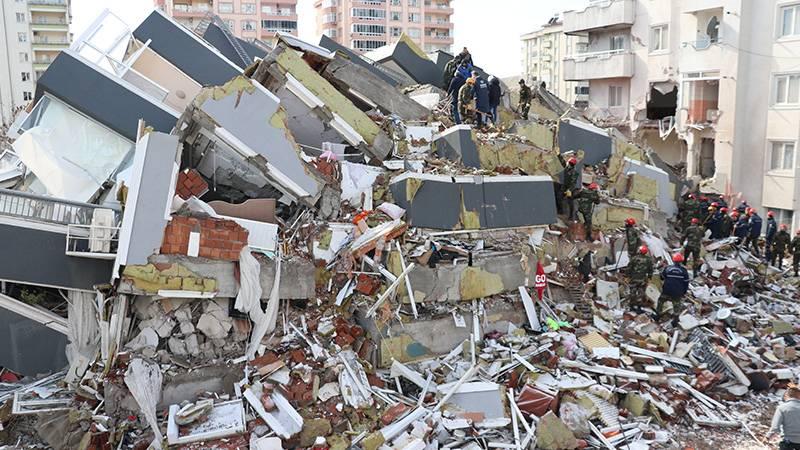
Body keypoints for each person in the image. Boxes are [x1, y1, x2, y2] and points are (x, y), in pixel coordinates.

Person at [766, 383, 800, 449]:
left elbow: (775, 427)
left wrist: (768, 437)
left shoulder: (782, 408)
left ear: (786, 396)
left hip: (789, 443)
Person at [658, 253, 691, 322]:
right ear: (681, 261)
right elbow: (686, 282)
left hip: (667, 290)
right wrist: (684, 292)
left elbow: (662, 277)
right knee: (676, 304)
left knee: (661, 300)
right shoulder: (684, 271)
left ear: (673, 260)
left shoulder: (668, 268)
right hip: (678, 292)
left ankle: (658, 314)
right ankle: (675, 318)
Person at [627, 245, 654, 313]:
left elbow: (629, 268)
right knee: (641, 293)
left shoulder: (634, 258)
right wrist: (649, 277)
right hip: (642, 279)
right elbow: (650, 270)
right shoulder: (648, 260)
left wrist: (628, 276)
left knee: (632, 292)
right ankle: (639, 307)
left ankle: (632, 306)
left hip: (634, 278)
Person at [557, 154, 580, 219]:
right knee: (559, 196)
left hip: (571, 188)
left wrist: (569, 190)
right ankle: (560, 211)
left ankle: (571, 216)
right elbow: (562, 162)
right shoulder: (567, 168)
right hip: (565, 186)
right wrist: (558, 155)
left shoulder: (574, 173)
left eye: (569, 163)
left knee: (570, 201)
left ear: (570, 164)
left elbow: (573, 183)